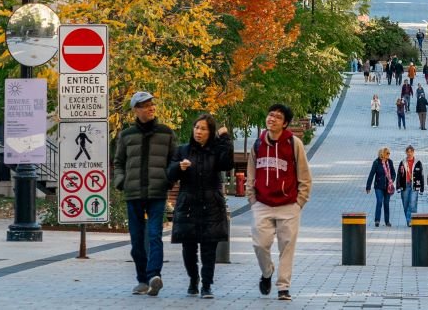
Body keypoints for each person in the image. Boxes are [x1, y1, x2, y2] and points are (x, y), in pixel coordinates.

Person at [114, 91, 178, 296]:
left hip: (157, 193)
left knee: (154, 236)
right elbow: (118, 163)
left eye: (152, 104)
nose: (151, 108)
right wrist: (121, 181)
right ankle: (142, 279)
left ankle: (153, 276)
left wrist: (168, 179)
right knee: (136, 240)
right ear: (136, 110)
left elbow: (173, 161)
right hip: (133, 192)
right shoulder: (126, 135)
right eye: (145, 105)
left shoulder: (166, 133)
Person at [249, 103, 312, 302]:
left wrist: (299, 201)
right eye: (270, 115)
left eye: (277, 117)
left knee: (287, 247)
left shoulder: (293, 144)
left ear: (284, 123)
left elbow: (305, 176)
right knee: (260, 244)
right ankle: (267, 272)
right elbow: (251, 173)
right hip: (262, 203)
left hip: (288, 205)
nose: (272, 119)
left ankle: (283, 286)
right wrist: (252, 198)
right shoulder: (258, 144)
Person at [168, 113, 233, 298]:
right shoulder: (183, 151)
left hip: (211, 204)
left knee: (209, 248)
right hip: (188, 204)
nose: (198, 132)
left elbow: (227, 163)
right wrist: (178, 167)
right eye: (196, 127)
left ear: (210, 132)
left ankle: (206, 285)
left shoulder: (215, 151)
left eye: (203, 129)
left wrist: (225, 139)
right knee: (188, 248)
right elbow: (169, 174)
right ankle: (193, 279)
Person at [364, 147, 396, 227]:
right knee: (379, 201)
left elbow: (393, 173)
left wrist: (392, 180)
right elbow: (371, 174)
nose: (389, 155)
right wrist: (368, 186)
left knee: (386, 203)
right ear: (382, 154)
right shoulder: (376, 162)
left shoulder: (390, 162)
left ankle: (387, 221)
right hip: (378, 186)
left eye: (389, 153)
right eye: (387, 153)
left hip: (388, 186)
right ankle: (377, 220)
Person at [396, 145, 424, 226]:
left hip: (414, 185)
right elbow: (399, 174)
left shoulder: (418, 162)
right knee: (405, 204)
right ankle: (409, 220)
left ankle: (411, 221)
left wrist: (422, 188)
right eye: (408, 152)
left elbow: (421, 175)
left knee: (412, 203)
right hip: (404, 185)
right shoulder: (402, 162)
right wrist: (397, 186)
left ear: (413, 152)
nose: (409, 153)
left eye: (411, 152)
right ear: (406, 152)